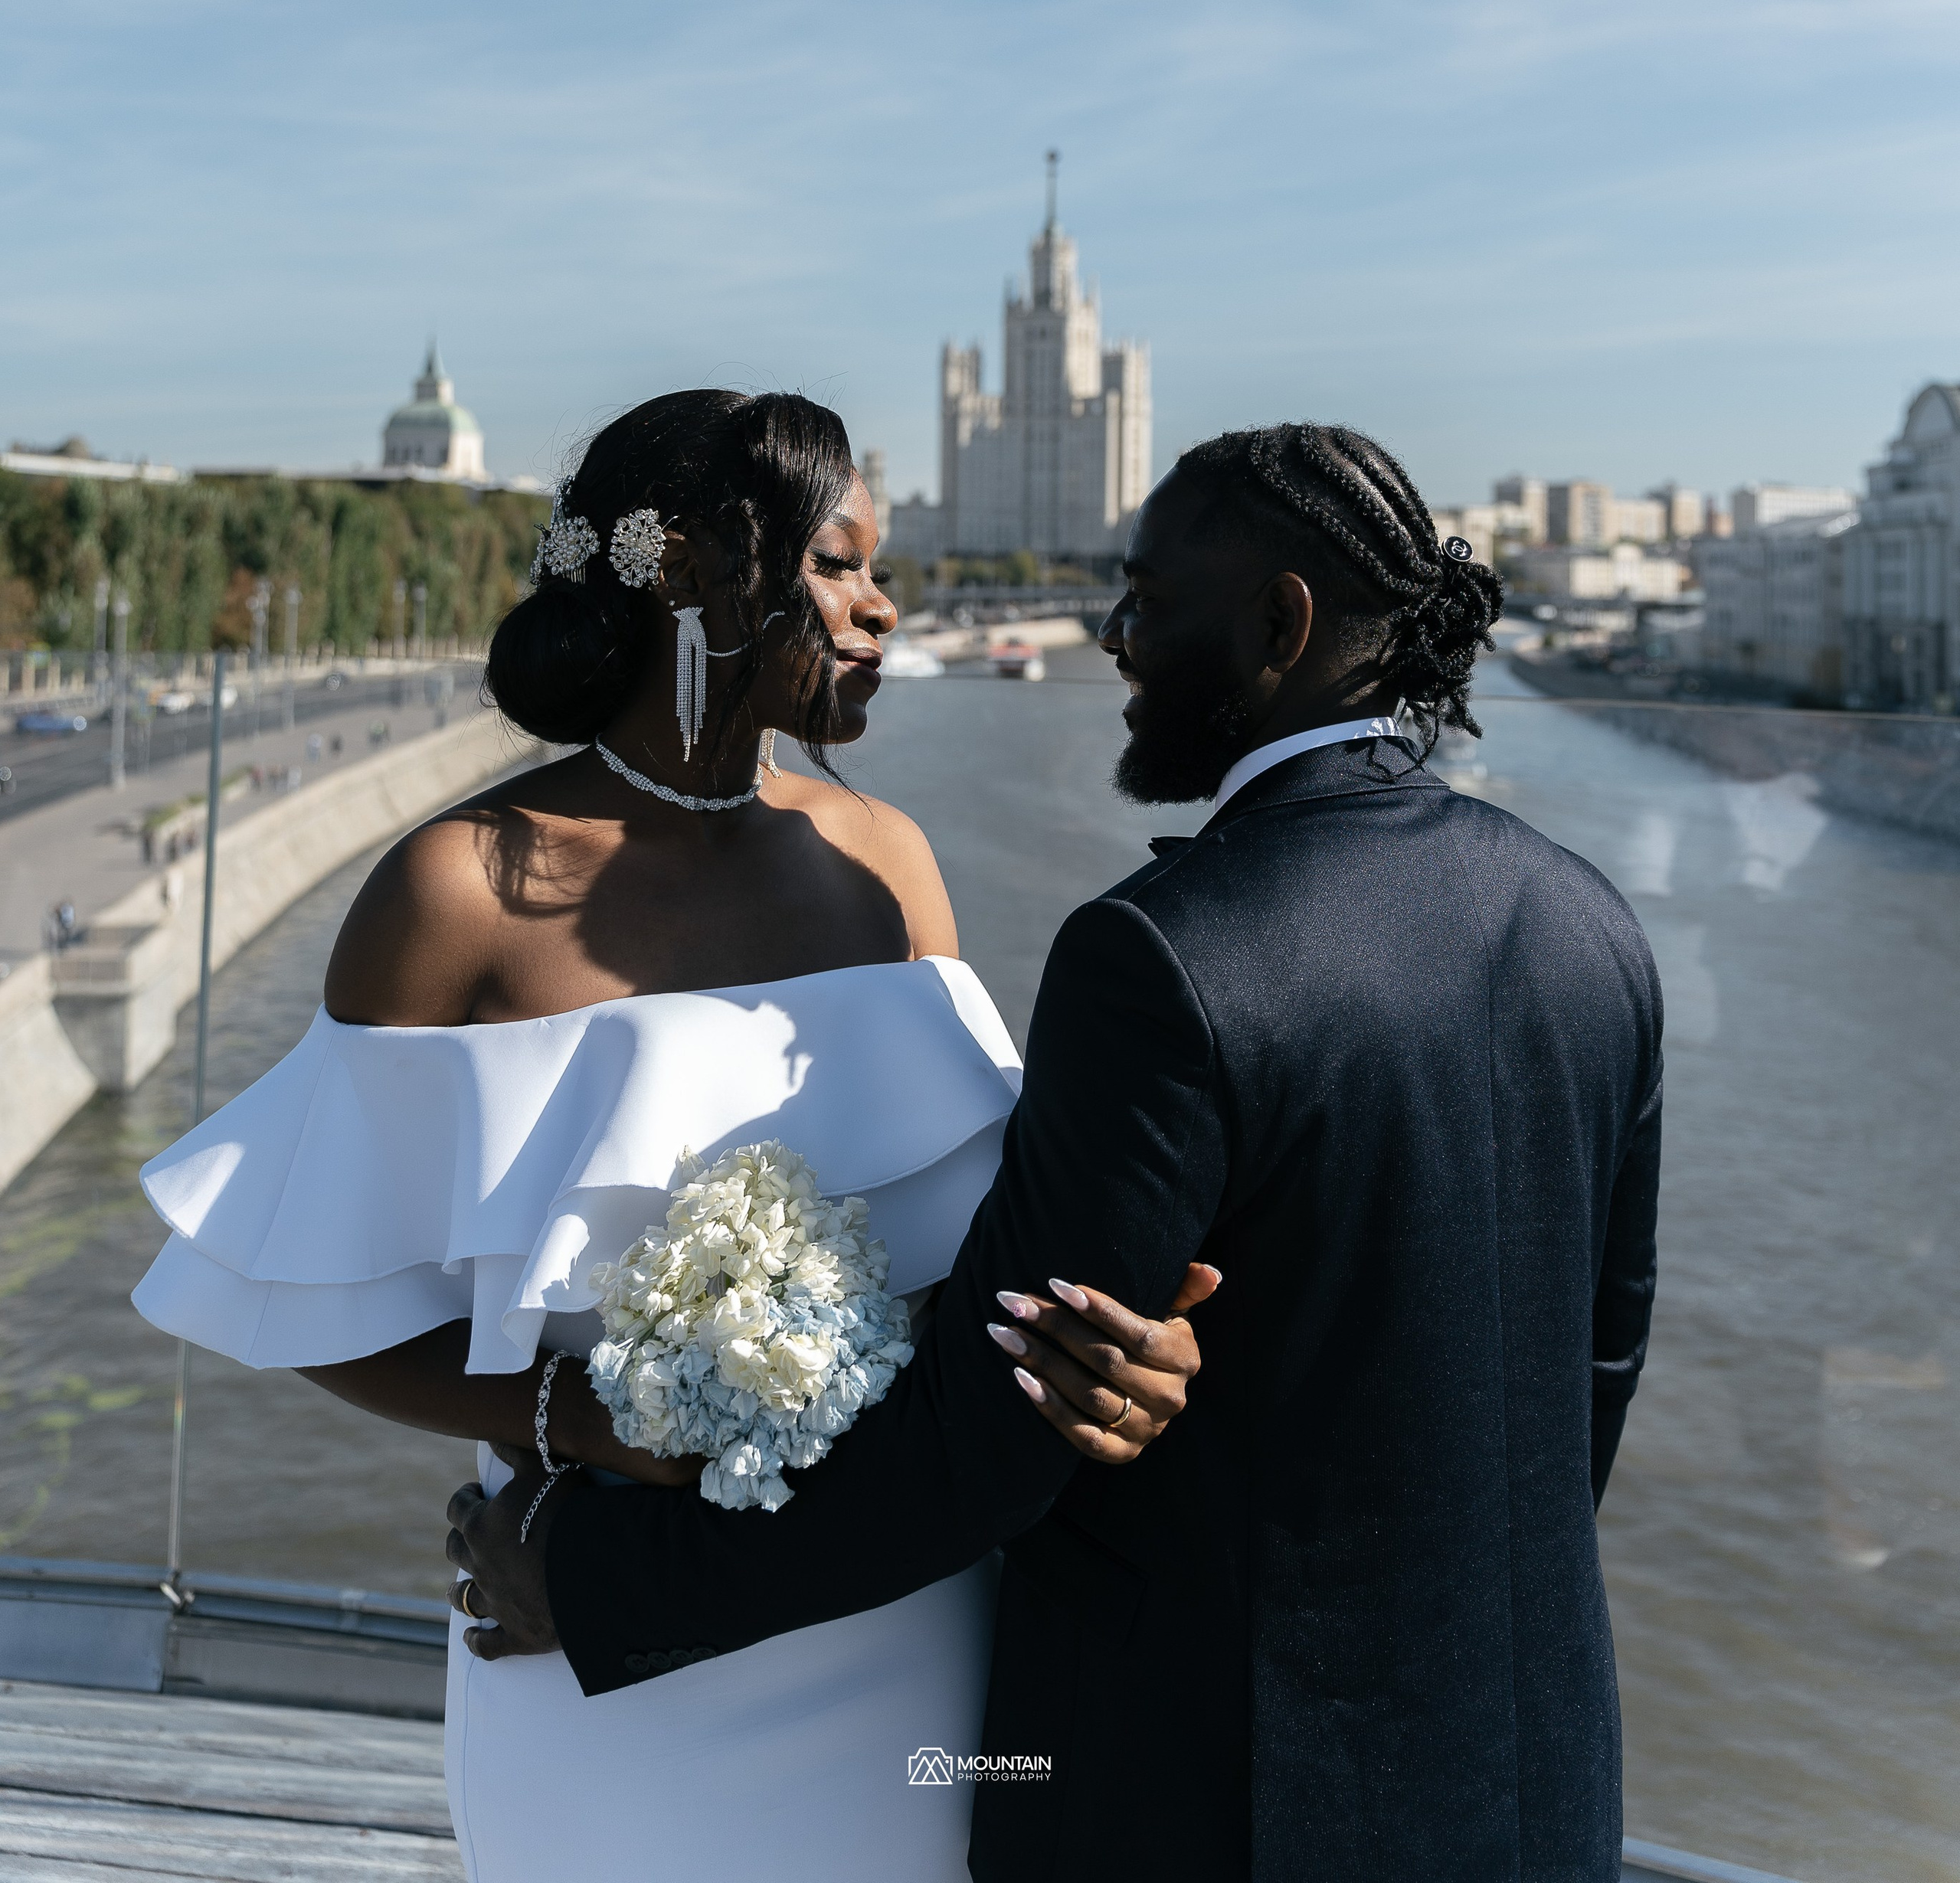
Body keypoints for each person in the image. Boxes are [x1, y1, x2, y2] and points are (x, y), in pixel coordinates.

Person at [455, 420, 1664, 1883]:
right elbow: (1595, 1370)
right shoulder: (1592, 925)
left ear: (1280, 627)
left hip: (1217, 1805)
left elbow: (989, 1443)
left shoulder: (1167, 959)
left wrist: (586, 1581)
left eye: (1150, 603)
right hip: (1529, 1790)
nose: (1111, 637)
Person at [133, 390, 1206, 1883]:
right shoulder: (455, 895)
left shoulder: (888, 861)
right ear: (690, 570)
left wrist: (1120, 1353)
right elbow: (297, 1290)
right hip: (586, 1611)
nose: (883, 609)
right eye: (838, 568)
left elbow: (983, 1257)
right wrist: (588, 1426)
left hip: (906, 1616)